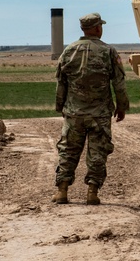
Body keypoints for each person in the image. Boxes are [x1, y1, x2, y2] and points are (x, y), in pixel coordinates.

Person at [52, 12, 129, 205]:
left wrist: (60, 106)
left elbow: (61, 82)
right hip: (99, 114)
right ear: (97, 28)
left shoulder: (69, 51)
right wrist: (122, 107)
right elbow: (119, 83)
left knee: (68, 151)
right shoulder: (109, 52)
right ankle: (92, 193)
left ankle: (62, 191)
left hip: (74, 113)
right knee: (97, 153)